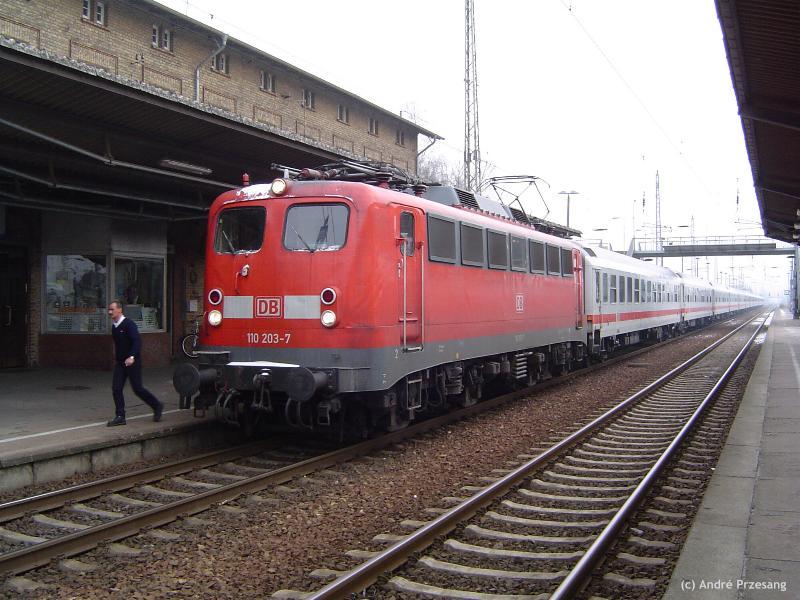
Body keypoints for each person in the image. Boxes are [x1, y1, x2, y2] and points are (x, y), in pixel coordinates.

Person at [106, 300, 164, 426]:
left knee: (138, 388)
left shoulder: (129, 324)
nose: (110, 312)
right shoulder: (114, 327)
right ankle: (120, 416)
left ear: (120, 310)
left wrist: (132, 356)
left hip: (133, 362)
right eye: (109, 309)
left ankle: (157, 405)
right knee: (116, 388)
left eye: (112, 309)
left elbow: (137, 341)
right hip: (121, 363)